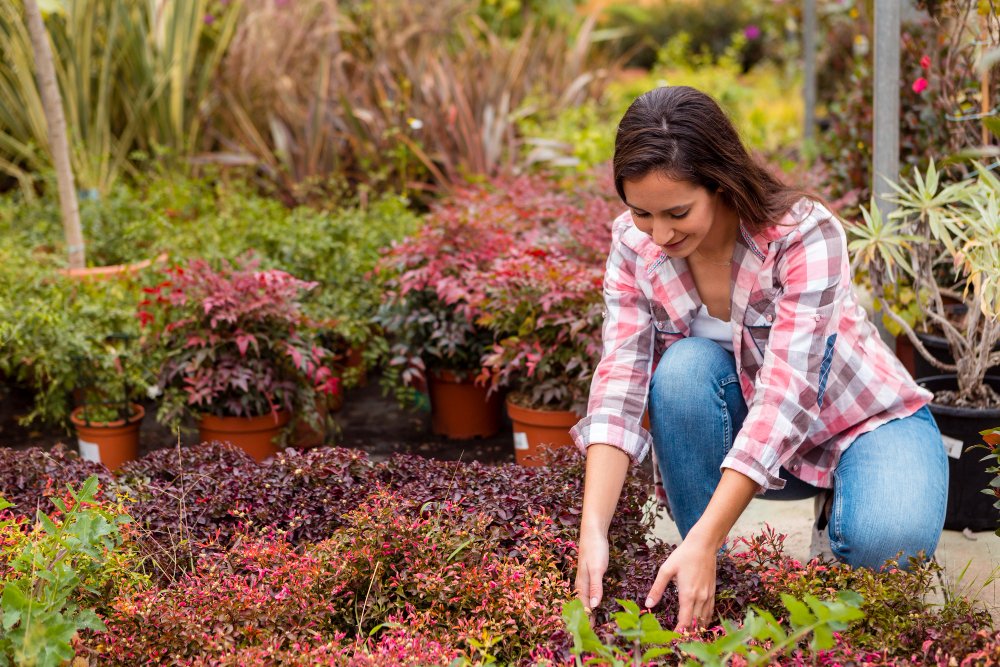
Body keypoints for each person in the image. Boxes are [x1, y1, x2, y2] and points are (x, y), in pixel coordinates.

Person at [569, 86, 948, 631]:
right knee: (680, 373)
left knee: (887, 551)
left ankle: (824, 517)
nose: (660, 233)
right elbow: (620, 380)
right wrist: (593, 533)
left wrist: (700, 536)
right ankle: (706, 573)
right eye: (642, 213)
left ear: (721, 183)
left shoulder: (802, 235)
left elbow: (785, 397)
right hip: (753, 438)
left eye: (678, 212)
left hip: (865, 421)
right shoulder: (636, 243)